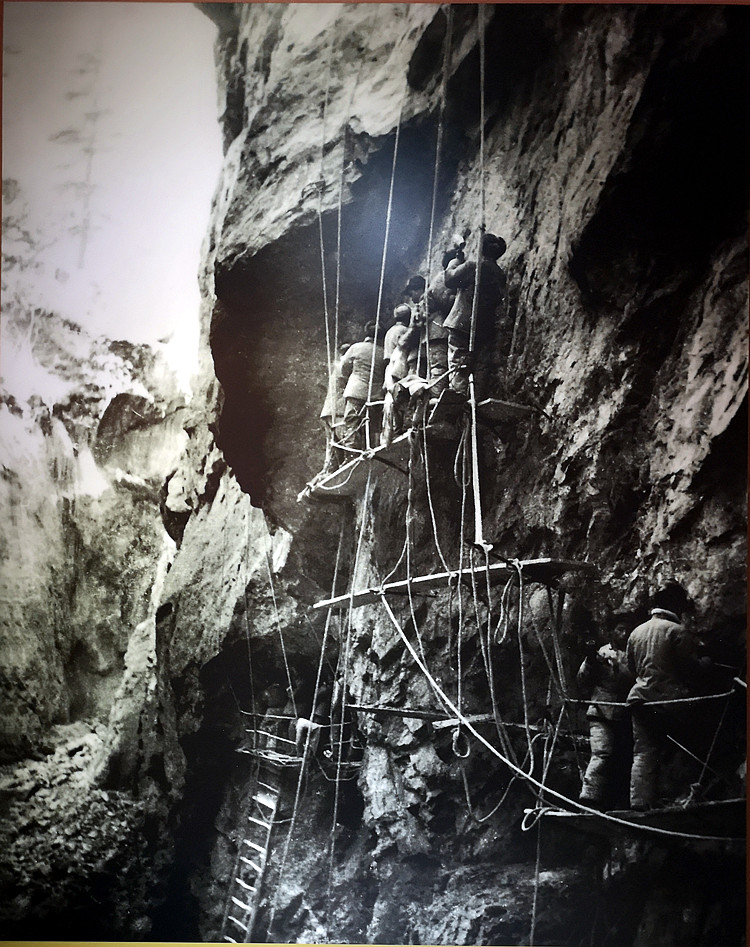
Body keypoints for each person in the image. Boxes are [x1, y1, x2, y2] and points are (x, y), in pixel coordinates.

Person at [626, 584, 702, 810]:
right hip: (669, 701)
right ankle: (679, 799)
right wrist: (705, 664)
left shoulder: (636, 632)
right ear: (674, 604)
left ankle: (640, 803)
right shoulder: (677, 631)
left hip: (639, 699)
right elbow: (689, 668)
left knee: (644, 751)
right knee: (683, 747)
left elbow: (631, 668)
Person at [443, 231, 507, 397]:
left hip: (462, 322)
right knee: (480, 366)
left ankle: (458, 399)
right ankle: (475, 400)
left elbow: (449, 279)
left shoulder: (474, 266)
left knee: (459, 363)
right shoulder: (500, 274)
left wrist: (455, 262)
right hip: (485, 327)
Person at [577, 621, 633, 809]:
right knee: (601, 753)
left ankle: (614, 804)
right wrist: (590, 662)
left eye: (626, 630)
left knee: (622, 759)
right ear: (612, 631)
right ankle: (588, 800)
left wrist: (617, 665)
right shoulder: (601, 652)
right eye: (620, 629)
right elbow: (582, 680)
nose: (624, 633)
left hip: (623, 714)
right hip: (601, 711)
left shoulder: (632, 655)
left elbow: (631, 679)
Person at [423, 236, 462, 402]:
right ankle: (436, 400)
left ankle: (443, 399)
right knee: (439, 367)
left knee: (445, 366)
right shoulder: (441, 279)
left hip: (443, 329)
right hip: (439, 331)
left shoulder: (443, 279)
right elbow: (446, 302)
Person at [339, 323, 386, 448]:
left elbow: (344, 368)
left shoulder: (356, 347)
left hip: (356, 391)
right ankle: (376, 449)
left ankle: (351, 451)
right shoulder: (383, 352)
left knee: (352, 422)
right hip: (376, 394)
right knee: (375, 425)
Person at [320, 342, 349, 471]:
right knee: (345, 440)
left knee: (334, 445)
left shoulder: (336, 366)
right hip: (338, 411)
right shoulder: (343, 367)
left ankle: (333, 470)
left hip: (329, 411)